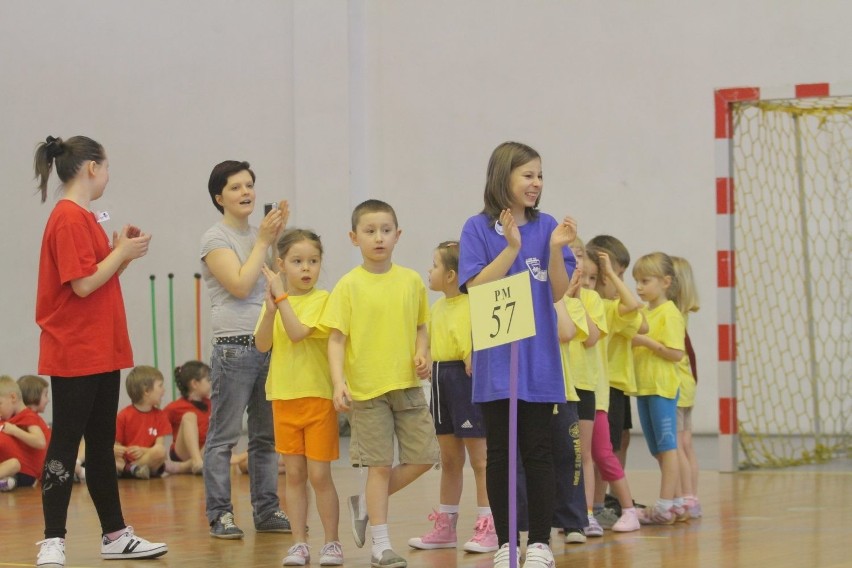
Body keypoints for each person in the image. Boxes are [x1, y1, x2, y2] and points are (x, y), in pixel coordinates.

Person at [31, 135, 166, 567]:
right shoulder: (68, 217)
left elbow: (96, 275)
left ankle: (115, 534)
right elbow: (83, 284)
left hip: (101, 349)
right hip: (76, 350)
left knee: (101, 443)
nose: (108, 175)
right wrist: (120, 253)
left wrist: (120, 255)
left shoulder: (84, 217)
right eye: (106, 167)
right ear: (91, 167)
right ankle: (53, 539)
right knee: (66, 444)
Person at [458, 141, 576, 568]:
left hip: (538, 359)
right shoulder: (476, 228)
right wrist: (510, 248)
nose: (536, 183)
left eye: (540, 175)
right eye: (527, 174)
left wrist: (555, 250)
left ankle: (540, 542)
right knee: (499, 454)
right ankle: (508, 541)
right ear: (503, 176)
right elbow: (475, 288)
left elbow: (558, 291)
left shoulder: (548, 228)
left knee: (538, 450)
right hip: (497, 361)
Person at [323, 199, 440, 568]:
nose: (378, 238)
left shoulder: (410, 281)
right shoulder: (348, 285)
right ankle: (381, 544)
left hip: (406, 385)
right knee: (379, 466)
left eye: (386, 230)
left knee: (424, 457)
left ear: (397, 235)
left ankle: (366, 503)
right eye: (370, 231)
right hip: (367, 391)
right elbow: (336, 339)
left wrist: (423, 352)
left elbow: (421, 325)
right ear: (354, 237)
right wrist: (338, 382)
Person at [200, 160, 290, 539]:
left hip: (269, 342)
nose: (246, 192)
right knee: (223, 437)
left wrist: (278, 245)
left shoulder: (259, 236)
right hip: (234, 347)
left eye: (249, 185)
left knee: (266, 437)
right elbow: (239, 284)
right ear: (219, 197)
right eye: (236, 187)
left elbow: (274, 284)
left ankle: (267, 510)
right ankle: (220, 514)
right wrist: (265, 243)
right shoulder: (215, 239)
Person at [254, 228, 344, 566]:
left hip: (318, 399)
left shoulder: (324, 300)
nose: (306, 268)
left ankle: (332, 542)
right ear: (281, 264)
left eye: (313, 261)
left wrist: (281, 301)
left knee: (320, 476)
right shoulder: (277, 302)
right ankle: (299, 542)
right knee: (293, 475)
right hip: (283, 398)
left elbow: (296, 334)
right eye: (297, 261)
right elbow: (263, 344)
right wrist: (272, 308)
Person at [408, 240, 497, 554]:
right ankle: (445, 526)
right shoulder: (437, 307)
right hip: (440, 379)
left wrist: (476, 351)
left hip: (466, 380)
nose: (428, 271)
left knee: (481, 459)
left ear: (451, 275)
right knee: (449, 459)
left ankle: (489, 526)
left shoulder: (477, 304)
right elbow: (430, 343)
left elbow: (489, 339)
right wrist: (423, 357)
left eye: (434, 265)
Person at [582, 248, 642, 533]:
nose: (585, 283)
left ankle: (627, 508)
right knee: (578, 458)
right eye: (583, 276)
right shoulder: (559, 304)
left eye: (593, 278)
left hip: (597, 396)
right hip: (570, 394)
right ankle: (584, 513)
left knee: (603, 454)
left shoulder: (600, 306)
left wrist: (612, 277)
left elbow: (633, 306)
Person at [631, 252, 686, 524]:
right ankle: (675, 503)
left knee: (668, 446)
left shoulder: (670, 313)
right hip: (644, 388)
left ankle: (664, 505)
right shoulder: (644, 312)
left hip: (662, 388)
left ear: (665, 282)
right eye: (637, 281)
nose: (639, 287)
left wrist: (645, 342)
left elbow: (676, 353)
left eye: (645, 281)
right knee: (657, 449)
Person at [565, 239, 608, 539]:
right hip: (558, 384)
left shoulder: (592, 299)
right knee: (560, 453)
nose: (575, 261)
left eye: (579, 255)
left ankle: (587, 514)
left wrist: (577, 297)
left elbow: (591, 338)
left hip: (583, 385)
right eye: (568, 256)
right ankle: (563, 513)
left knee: (583, 454)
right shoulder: (553, 295)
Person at [586, 235, 637, 474]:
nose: (619, 283)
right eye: (614, 275)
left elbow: (639, 322)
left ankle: (610, 499)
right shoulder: (597, 306)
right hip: (601, 385)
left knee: (615, 443)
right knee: (601, 450)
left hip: (612, 385)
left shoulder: (611, 308)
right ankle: (601, 502)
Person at [671, 256, 702, 519]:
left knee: (678, 444)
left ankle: (683, 496)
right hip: (688, 384)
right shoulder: (680, 314)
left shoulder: (670, 315)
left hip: (678, 386)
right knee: (687, 444)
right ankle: (691, 496)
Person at [113, 366, 170, 479]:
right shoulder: (123, 415)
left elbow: (159, 446)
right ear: (146, 391)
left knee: (160, 452)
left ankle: (131, 469)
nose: (164, 390)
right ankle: (133, 470)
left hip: (148, 459)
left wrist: (142, 450)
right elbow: (117, 447)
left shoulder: (161, 415)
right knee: (111, 456)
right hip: (126, 459)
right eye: (160, 386)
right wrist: (117, 450)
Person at [0, 376, 49, 491]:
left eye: (0, 403)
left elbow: (40, 442)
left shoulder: (28, 416)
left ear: (13, 397)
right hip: (12, 469)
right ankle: (6, 482)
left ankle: (8, 481)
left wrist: (14, 430)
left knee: (13, 463)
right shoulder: (9, 418)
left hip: (25, 472)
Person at [163, 361, 212, 475]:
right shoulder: (174, 407)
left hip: (205, 451)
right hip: (183, 453)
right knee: (189, 416)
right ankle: (196, 461)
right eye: (208, 380)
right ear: (194, 383)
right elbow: (155, 424)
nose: (211, 383)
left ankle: (185, 467)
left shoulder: (211, 404)